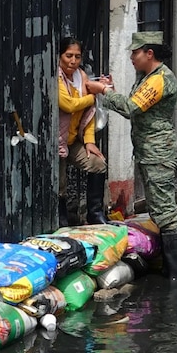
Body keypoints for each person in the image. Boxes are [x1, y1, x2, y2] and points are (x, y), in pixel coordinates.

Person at [96, 31, 177, 279]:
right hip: (150, 152)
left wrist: (103, 91)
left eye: (134, 52)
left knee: (166, 212)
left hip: (158, 153)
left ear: (150, 53)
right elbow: (134, 101)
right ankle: (170, 270)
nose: (131, 57)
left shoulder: (160, 79)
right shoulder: (148, 76)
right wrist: (111, 90)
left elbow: (130, 107)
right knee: (159, 210)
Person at [57, 37, 110, 227]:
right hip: (57, 141)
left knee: (97, 163)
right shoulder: (56, 77)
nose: (73, 61)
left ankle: (95, 214)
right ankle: (61, 222)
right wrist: (92, 96)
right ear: (60, 56)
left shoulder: (80, 76)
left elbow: (89, 113)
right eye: (68, 56)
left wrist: (89, 141)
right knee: (60, 184)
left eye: (77, 57)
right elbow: (68, 105)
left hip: (73, 140)